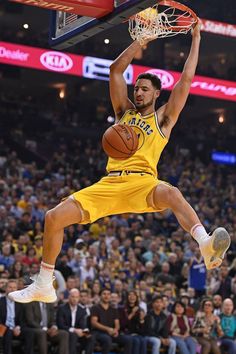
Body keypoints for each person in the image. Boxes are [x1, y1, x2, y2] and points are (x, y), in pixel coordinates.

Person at [8, 20, 231, 304]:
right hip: (111, 182)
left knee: (173, 193)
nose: (138, 92)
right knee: (53, 217)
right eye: (136, 87)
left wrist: (197, 38)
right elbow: (115, 70)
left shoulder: (163, 119)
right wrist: (141, 41)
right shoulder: (123, 111)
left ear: (156, 94)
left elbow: (185, 81)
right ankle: (43, 283)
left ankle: (204, 244)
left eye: (144, 89)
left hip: (143, 182)